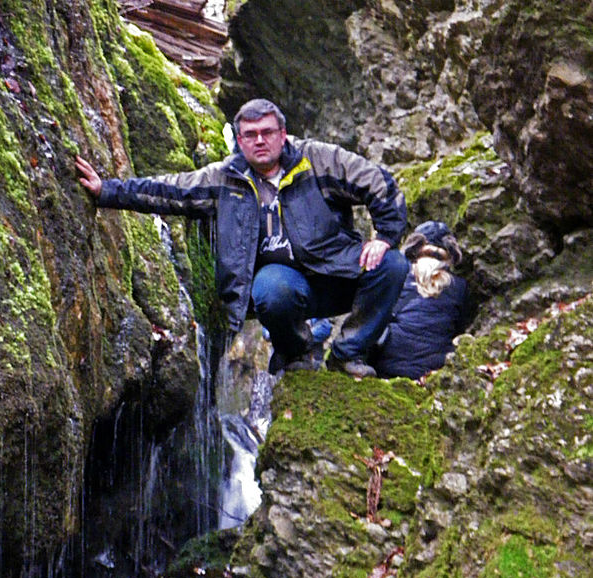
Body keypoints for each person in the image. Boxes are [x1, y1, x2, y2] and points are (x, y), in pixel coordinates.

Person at [76, 98, 408, 377]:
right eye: (251, 135)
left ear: (283, 134)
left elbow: (379, 183)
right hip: (280, 285)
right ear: (239, 139)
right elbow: (169, 191)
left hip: (335, 269)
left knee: (392, 265)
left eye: (267, 132)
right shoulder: (225, 178)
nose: (260, 141)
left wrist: (385, 236)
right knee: (271, 287)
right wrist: (107, 190)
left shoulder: (319, 160)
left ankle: (347, 354)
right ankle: (296, 354)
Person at [371, 221, 473, 380]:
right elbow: (459, 328)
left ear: (414, 248)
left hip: (386, 367)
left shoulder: (395, 276)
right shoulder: (460, 287)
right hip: (432, 373)